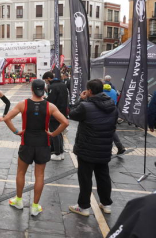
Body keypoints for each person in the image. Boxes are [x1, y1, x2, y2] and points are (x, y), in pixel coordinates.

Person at [0, 79, 68, 216]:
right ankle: (35, 206)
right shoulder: (50, 106)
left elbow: (7, 118)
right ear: (44, 90)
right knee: (40, 175)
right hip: (43, 143)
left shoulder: (23, 104)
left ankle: (18, 201)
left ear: (31, 89)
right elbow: (65, 122)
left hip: (27, 142)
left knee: (20, 172)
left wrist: (16, 132)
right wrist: (53, 134)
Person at [68, 79, 118, 216]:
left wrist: (80, 99)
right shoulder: (112, 105)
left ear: (89, 91)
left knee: (85, 178)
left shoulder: (85, 106)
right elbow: (114, 125)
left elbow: (71, 114)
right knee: (103, 177)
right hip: (104, 148)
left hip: (87, 148)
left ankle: (83, 207)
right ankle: (106, 204)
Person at [42, 71, 69, 161]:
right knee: (59, 132)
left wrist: (45, 99)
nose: (46, 82)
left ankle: (58, 153)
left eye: (45, 80)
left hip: (54, 113)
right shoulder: (62, 84)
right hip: (62, 112)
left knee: (55, 132)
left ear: (49, 78)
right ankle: (60, 152)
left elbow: (51, 101)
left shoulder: (52, 87)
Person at [103, 84, 126, 154]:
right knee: (112, 130)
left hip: (104, 112)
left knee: (102, 131)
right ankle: (120, 146)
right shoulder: (113, 91)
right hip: (113, 111)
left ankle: (108, 150)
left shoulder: (101, 92)